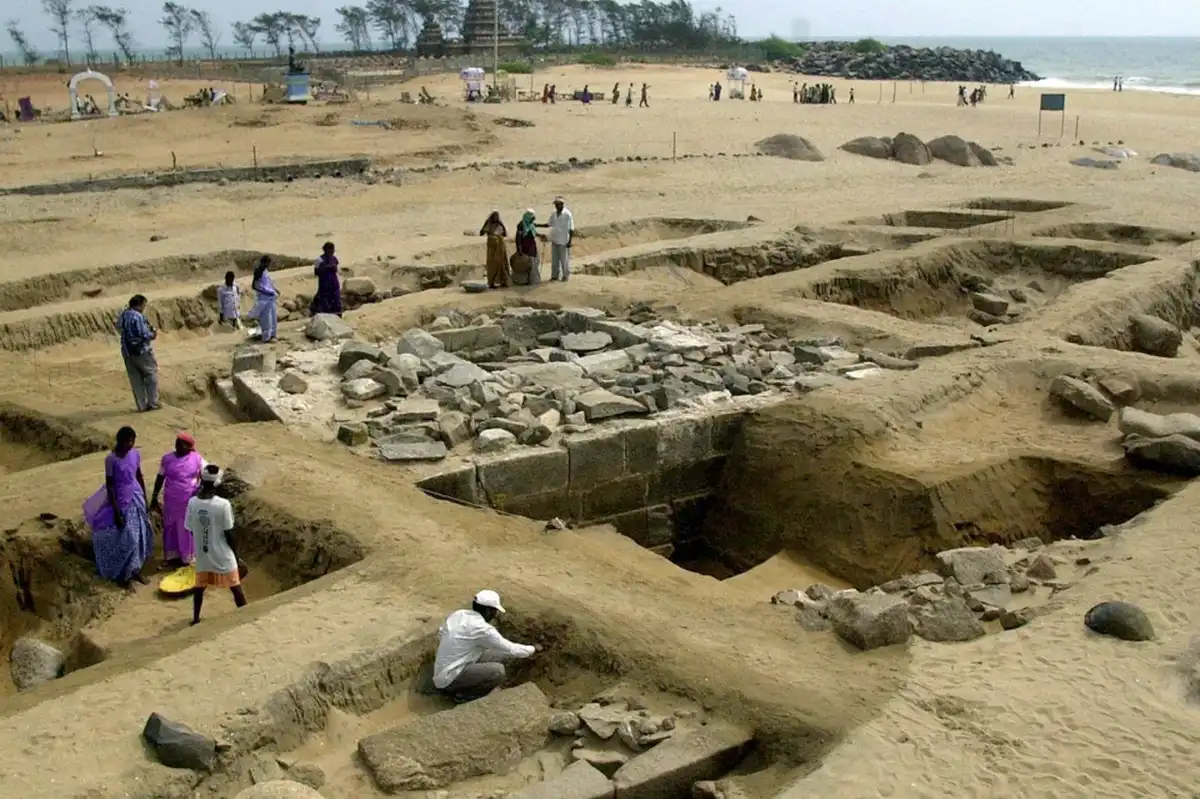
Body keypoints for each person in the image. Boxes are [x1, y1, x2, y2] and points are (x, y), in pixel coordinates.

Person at [432, 590, 539, 703]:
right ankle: (464, 696)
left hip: (444, 670)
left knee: (500, 654)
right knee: (498, 671)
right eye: (494, 611)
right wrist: (533, 649)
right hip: (449, 679)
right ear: (488, 611)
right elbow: (512, 649)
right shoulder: (482, 629)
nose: (495, 615)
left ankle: (469, 680)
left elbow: (441, 633)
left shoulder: (459, 614)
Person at [83, 426, 152, 588]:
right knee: (127, 538)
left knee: (139, 536)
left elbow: (139, 475)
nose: (130, 444)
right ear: (120, 441)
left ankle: (134, 570)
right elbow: (110, 485)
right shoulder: (111, 460)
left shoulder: (135, 454)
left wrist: (145, 498)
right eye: (127, 441)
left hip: (135, 497)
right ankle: (122, 574)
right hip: (121, 501)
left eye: (132, 441)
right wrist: (116, 511)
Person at [186, 464, 247, 625]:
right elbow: (229, 532)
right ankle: (246, 616)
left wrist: (201, 543)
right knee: (235, 587)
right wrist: (237, 555)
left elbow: (191, 529)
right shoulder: (223, 505)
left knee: (199, 587)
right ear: (216, 483)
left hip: (203, 554)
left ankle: (196, 618)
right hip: (222, 554)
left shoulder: (192, 503)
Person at [149, 432, 205, 570]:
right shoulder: (167, 459)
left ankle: (187, 556)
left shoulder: (197, 459)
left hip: (188, 500)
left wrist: (200, 492)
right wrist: (154, 496)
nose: (178, 446)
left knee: (186, 527)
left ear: (189, 446)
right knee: (170, 527)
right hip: (171, 500)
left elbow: (206, 475)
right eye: (177, 443)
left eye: (182, 444)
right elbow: (160, 477)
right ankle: (171, 557)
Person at [118, 294, 159, 412]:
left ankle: (141, 405)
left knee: (135, 379)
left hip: (127, 351)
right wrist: (153, 335)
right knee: (151, 373)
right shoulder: (138, 316)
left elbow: (118, 326)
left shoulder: (124, 314)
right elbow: (143, 334)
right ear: (139, 304)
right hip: (141, 350)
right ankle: (153, 402)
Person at [540, 196, 574, 282]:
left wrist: (570, 241)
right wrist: (536, 225)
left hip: (563, 240)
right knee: (554, 260)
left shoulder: (567, 214)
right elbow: (549, 224)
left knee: (564, 260)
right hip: (554, 239)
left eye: (558, 204)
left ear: (562, 204)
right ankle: (554, 276)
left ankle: (565, 276)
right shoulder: (554, 213)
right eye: (555, 204)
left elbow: (571, 229)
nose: (556, 206)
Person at [248, 255, 278, 343]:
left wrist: (275, 290)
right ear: (263, 263)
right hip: (263, 298)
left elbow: (268, 283)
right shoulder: (258, 271)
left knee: (273, 318)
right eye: (267, 263)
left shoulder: (265, 271)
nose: (268, 265)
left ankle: (272, 335)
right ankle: (266, 337)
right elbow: (254, 285)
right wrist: (265, 291)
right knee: (266, 319)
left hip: (270, 298)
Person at [310, 241, 343, 316]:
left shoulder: (334, 258)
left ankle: (337, 314)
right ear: (325, 250)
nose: (332, 251)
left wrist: (333, 268)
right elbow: (316, 271)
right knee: (324, 300)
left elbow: (336, 268)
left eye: (333, 249)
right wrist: (326, 268)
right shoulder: (318, 259)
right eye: (330, 249)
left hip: (334, 283)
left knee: (336, 299)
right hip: (324, 284)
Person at [480, 211, 510, 289]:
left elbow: (505, 234)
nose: (496, 218)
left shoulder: (500, 225)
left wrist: (502, 225)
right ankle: (491, 283)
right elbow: (481, 232)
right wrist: (486, 227)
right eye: (495, 217)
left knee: (502, 263)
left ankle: (503, 281)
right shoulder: (488, 223)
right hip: (492, 247)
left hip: (500, 245)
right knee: (492, 264)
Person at [512, 209, 540, 286]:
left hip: (532, 247)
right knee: (524, 264)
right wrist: (519, 250)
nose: (533, 220)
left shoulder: (531, 224)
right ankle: (523, 281)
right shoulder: (521, 225)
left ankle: (532, 280)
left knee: (533, 263)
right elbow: (518, 238)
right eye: (532, 218)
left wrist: (540, 235)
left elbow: (532, 232)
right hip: (524, 248)